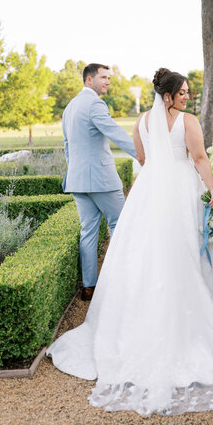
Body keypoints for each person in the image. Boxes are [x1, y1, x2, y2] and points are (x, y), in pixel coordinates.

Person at [47, 68, 213, 416]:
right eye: (182, 92)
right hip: (180, 190)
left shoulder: (143, 122)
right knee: (184, 249)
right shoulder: (188, 122)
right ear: (167, 95)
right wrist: (211, 188)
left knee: (145, 252)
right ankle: (202, 310)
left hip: (149, 192)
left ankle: (148, 309)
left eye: (187, 92)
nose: (186, 97)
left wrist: (159, 174)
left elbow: (143, 158)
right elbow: (199, 159)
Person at [61, 63, 136, 301]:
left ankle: (89, 288)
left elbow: (67, 146)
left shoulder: (70, 106)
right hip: (101, 180)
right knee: (120, 226)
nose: (107, 81)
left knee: (88, 232)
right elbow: (115, 133)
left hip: (77, 180)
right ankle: (120, 283)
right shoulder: (94, 104)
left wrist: (74, 171)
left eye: (109, 77)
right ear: (89, 79)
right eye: (103, 77)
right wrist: (146, 155)